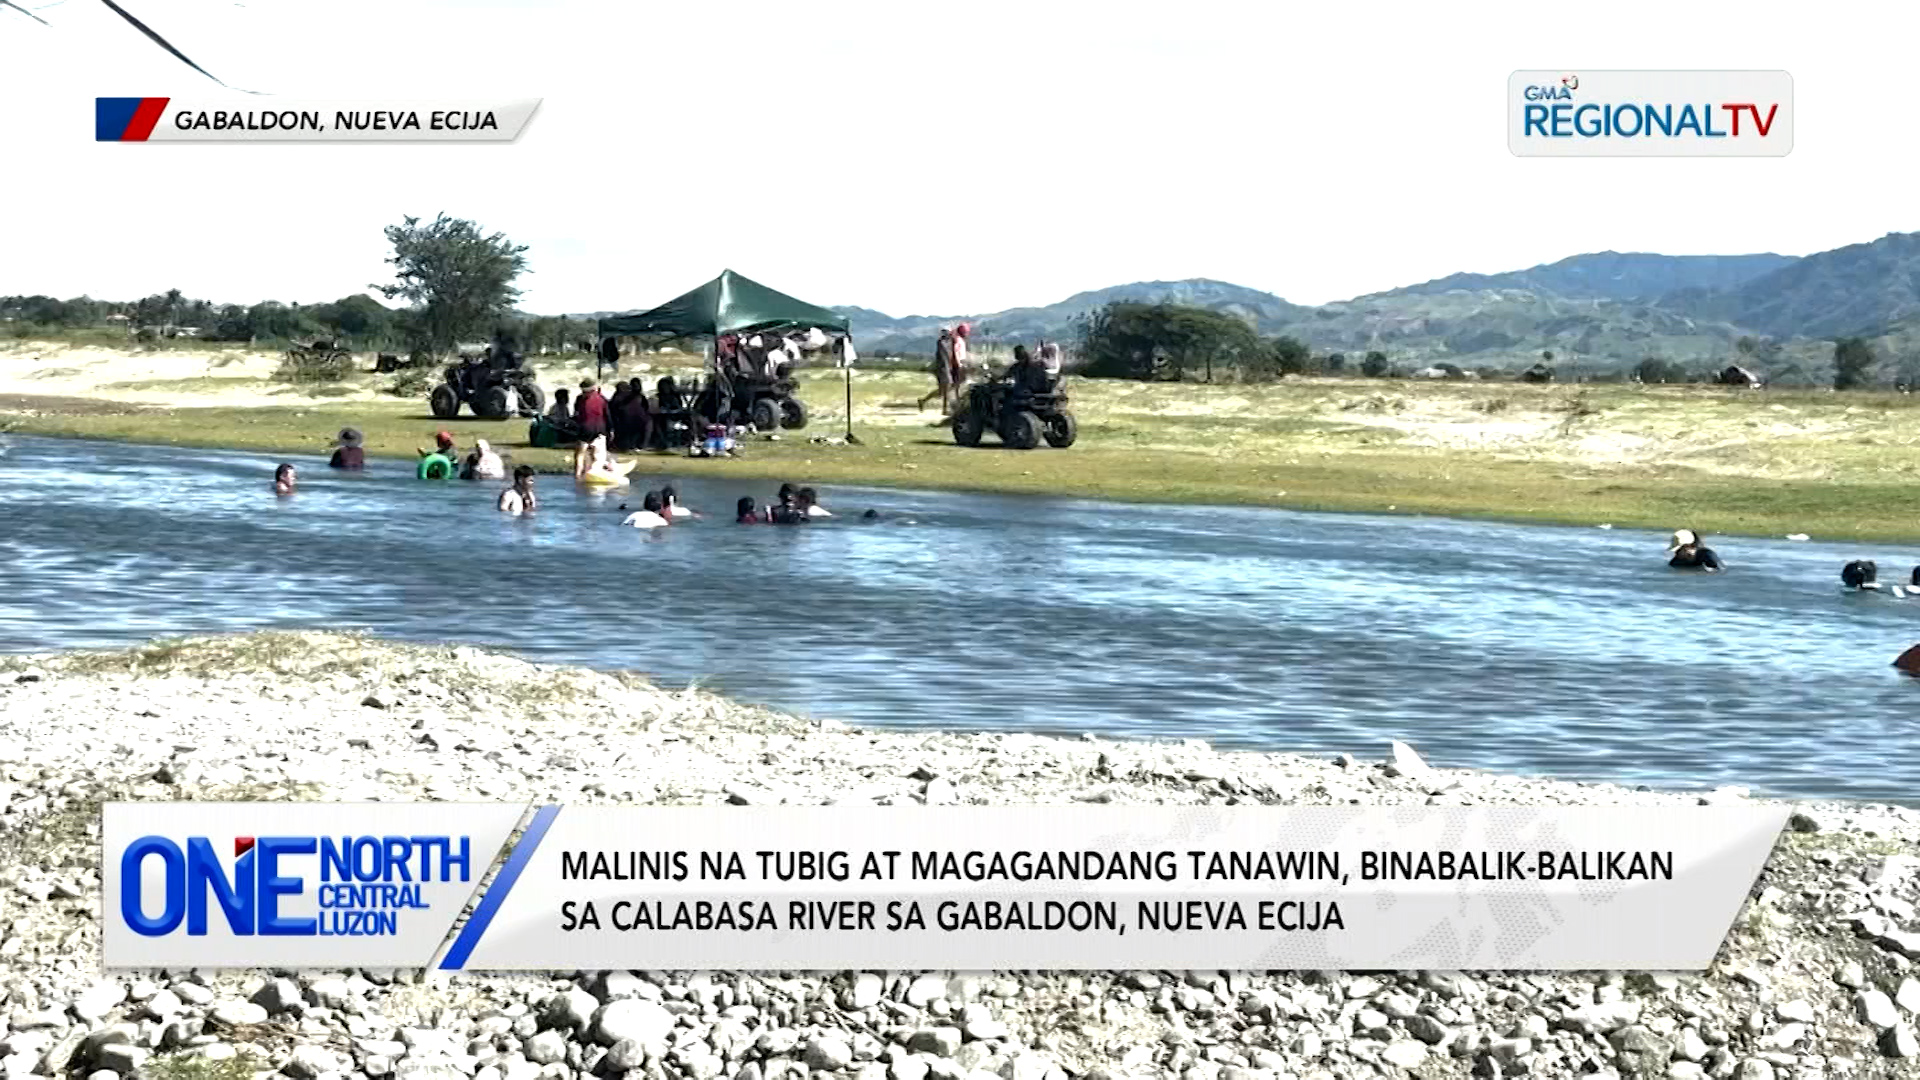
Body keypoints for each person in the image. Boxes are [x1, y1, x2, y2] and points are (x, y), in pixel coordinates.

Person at [919, 322, 971, 415]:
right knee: (947, 389)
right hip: (945, 368)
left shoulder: (954, 340)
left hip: (950, 367)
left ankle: (924, 401)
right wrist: (959, 365)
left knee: (944, 391)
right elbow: (954, 355)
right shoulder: (947, 342)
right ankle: (946, 409)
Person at [574, 380, 610, 444]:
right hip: (598, 429)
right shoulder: (601, 398)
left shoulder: (579, 398)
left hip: (587, 429)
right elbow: (607, 415)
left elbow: (576, 412)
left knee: (584, 447)